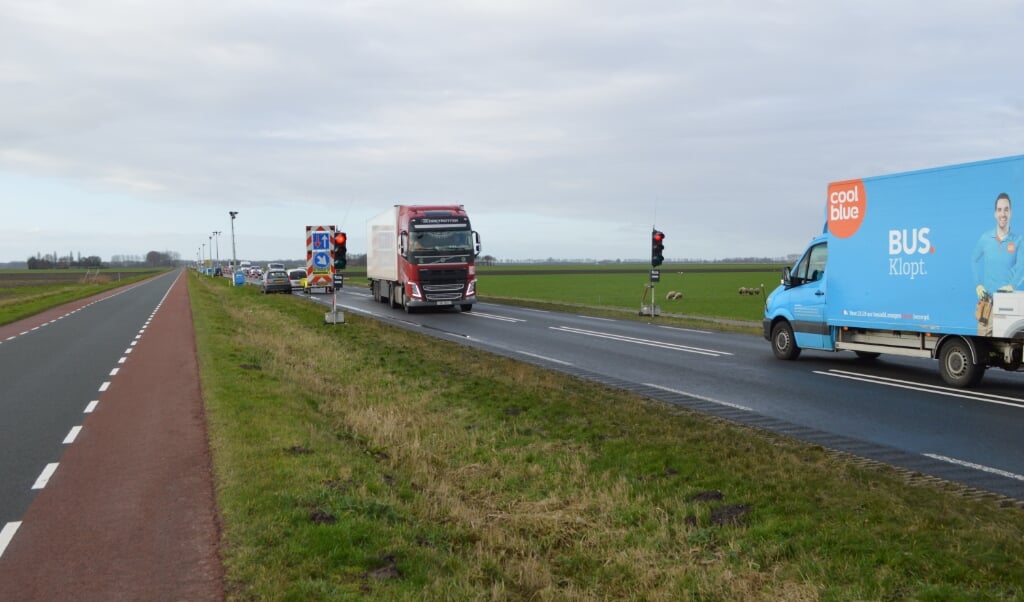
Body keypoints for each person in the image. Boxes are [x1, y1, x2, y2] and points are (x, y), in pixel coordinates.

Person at [971, 192, 1020, 335]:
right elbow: (973, 259)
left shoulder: (1018, 240)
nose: (1002, 213)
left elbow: (1022, 266)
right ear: (995, 213)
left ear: (1010, 212)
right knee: (982, 343)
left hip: (1007, 305)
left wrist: (1012, 284)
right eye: (999, 210)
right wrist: (978, 284)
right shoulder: (986, 238)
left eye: (1006, 209)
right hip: (987, 306)